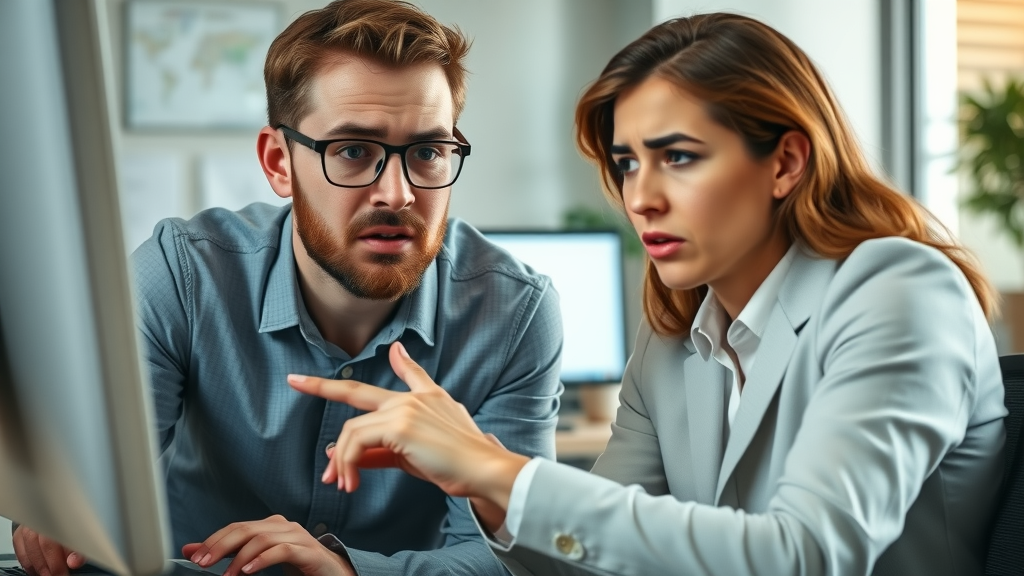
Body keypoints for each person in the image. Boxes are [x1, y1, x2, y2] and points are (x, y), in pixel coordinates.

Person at [285, 12, 1008, 576]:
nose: (642, 198)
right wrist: (478, 481)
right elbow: (588, 559)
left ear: (785, 161)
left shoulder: (898, 288)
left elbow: (806, 555)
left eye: (680, 158)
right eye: (628, 163)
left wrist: (500, 469)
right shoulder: (675, 337)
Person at [11, 1, 563, 575]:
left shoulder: (514, 313)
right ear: (279, 162)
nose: (397, 194)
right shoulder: (182, 276)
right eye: (353, 151)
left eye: (427, 152)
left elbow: (510, 561)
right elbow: (84, 510)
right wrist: (57, 512)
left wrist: (346, 571)